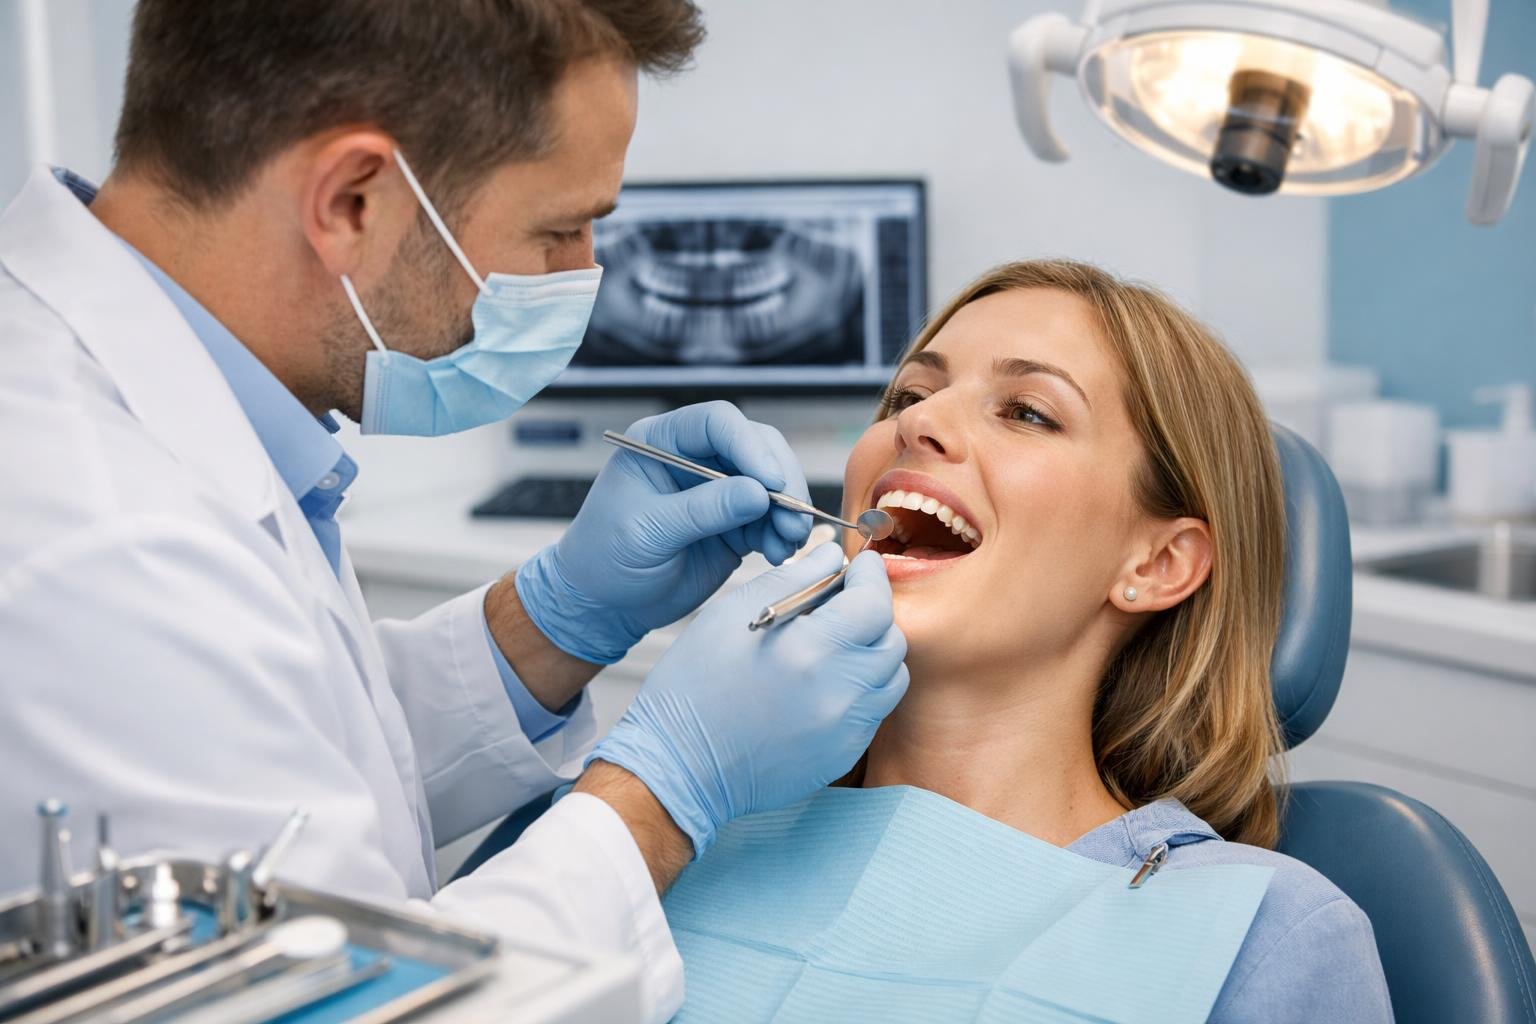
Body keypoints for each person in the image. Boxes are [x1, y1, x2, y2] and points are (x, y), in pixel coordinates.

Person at [0, 3, 908, 1020]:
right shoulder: (89, 542)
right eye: (559, 229)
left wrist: (558, 620)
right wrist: (661, 792)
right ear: (354, 199)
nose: (584, 278)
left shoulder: (163, 448)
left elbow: (284, 755)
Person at [660, 260, 1395, 1022]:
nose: (917, 422)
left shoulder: (1264, 934)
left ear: (1157, 563)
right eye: (912, 393)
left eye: (1027, 412)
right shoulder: (679, 830)